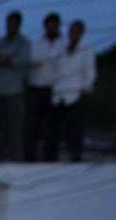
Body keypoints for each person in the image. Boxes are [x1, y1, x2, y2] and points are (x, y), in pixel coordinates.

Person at [46, 20, 96, 162]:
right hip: (58, 94)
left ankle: (76, 155)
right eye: (72, 30)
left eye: (77, 31)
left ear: (81, 33)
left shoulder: (86, 49)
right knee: (53, 130)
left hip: (75, 93)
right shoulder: (60, 48)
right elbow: (52, 67)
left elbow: (90, 72)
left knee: (74, 129)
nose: (74, 33)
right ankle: (50, 157)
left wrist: (85, 88)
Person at [0, 11, 30, 161]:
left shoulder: (24, 43)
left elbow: (22, 61)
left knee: (15, 127)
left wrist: (4, 60)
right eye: (8, 23)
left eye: (13, 23)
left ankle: (15, 157)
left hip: (14, 91)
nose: (10, 26)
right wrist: (5, 60)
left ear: (18, 24)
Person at [25, 12, 64, 161]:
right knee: (32, 126)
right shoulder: (37, 44)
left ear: (58, 26)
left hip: (54, 89)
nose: (52, 27)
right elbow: (31, 63)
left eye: (55, 25)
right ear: (45, 26)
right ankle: (30, 156)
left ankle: (50, 157)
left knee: (52, 127)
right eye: (49, 25)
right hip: (36, 88)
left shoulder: (64, 44)